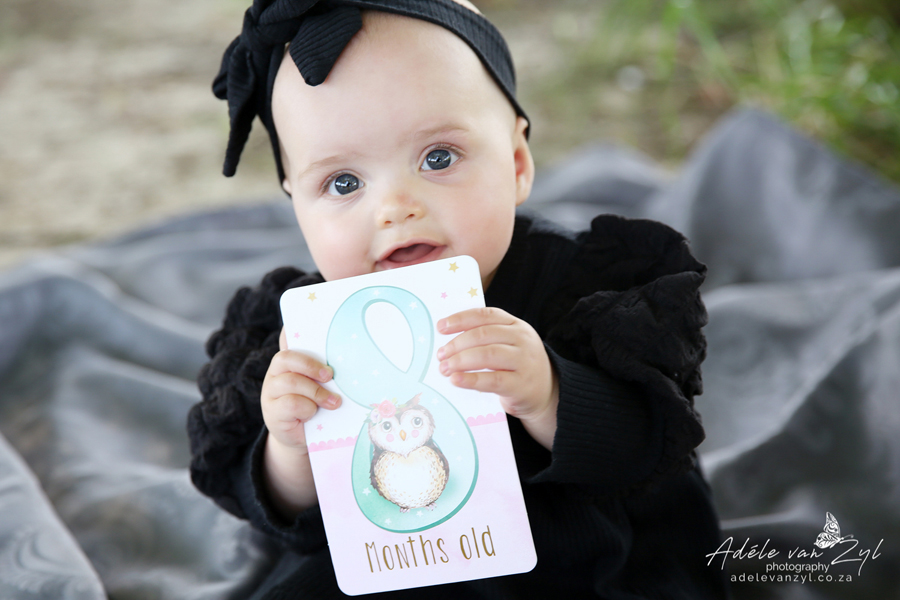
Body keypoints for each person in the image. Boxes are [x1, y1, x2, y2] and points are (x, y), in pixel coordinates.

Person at [187, 0, 730, 598]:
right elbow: (273, 512)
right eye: (343, 182)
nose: (395, 207)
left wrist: (551, 393)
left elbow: (649, 448)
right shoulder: (307, 335)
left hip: (582, 563)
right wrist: (292, 447)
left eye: (438, 158)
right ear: (297, 204)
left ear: (517, 163)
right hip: (392, 571)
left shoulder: (588, 287)